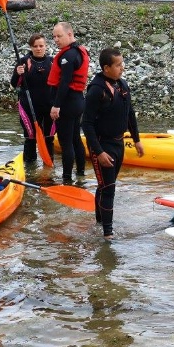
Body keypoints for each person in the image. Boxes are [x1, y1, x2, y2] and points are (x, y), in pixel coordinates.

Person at [82, 48, 143, 239]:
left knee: (105, 185)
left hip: (118, 143)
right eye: (118, 65)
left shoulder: (122, 85)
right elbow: (86, 124)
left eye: (122, 64)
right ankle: (108, 234)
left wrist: (137, 140)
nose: (122, 68)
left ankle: (100, 223)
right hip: (102, 145)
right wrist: (98, 152)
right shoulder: (96, 90)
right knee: (109, 188)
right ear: (106, 68)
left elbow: (129, 113)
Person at [47, 22, 89, 184]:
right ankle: (80, 174)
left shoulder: (68, 56)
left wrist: (56, 105)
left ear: (70, 35)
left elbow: (64, 82)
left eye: (59, 36)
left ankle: (66, 179)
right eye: (54, 37)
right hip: (78, 101)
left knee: (66, 142)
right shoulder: (78, 51)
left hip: (68, 103)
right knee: (75, 138)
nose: (56, 40)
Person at [11, 33, 53, 165]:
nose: (38, 49)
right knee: (30, 138)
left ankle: (49, 168)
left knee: (49, 138)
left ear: (46, 46)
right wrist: (17, 74)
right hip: (28, 106)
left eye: (41, 46)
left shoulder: (52, 62)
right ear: (31, 47)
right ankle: (29, 169)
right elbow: (14, 83)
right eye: (35, 46)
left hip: (48, 106)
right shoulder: (23, 62)